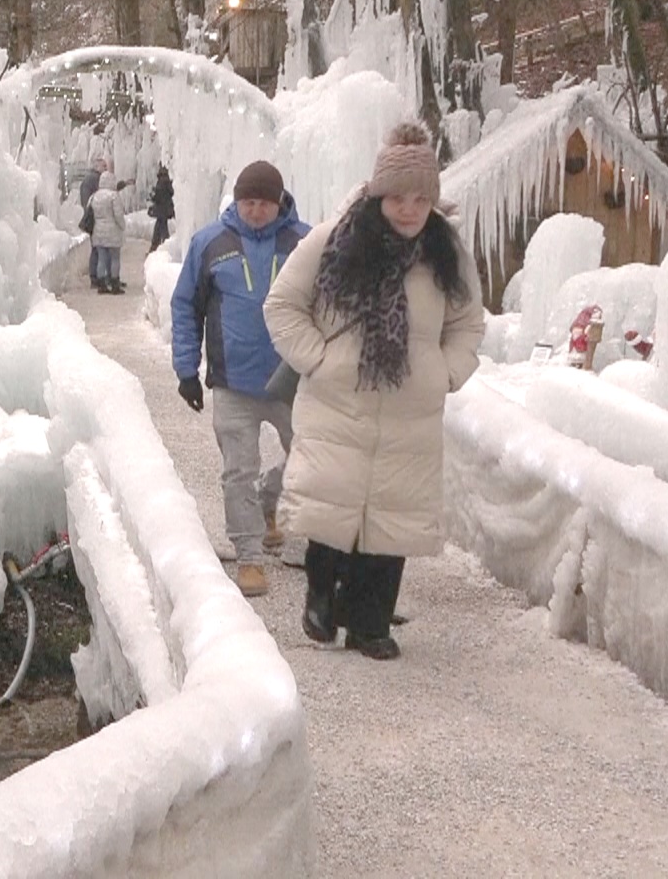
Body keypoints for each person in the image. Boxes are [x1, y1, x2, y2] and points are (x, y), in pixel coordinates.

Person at [263, 122, 485, 660]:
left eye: (420, 198)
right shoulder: (333, 240)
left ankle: (370, 624)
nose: (409, 210)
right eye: (397, 198)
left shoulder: (446, 252)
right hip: (340, 401)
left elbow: (469, 324)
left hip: (409, 412)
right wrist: (320, 359)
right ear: (377, 194)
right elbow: (282, 305)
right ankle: (320, 595)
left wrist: (445, 373)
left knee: (392, 523)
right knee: (331, 512)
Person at [170, 160, 309, 596]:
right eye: (248, 202)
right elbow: (185, 305)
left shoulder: (304, 242)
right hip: (233, 382)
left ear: (279, 202)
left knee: (311, 458)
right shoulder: (210, 242)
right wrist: (186, 370)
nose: (255, 211)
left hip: (293, 380)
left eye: (264, 203)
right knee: (237, 472)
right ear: (237, 201)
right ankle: (250, 555)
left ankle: (271, 501)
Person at [88, 178, 130, 294]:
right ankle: (115, 284)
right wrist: (122, 226)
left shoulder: (94, 196)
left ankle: (101, 284)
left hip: (98, 231)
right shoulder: (113, 196)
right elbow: (118, 214)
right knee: (115, 258)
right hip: (113, 232)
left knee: (102, 258)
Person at [80, 160, 110, 290]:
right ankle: (98, 277)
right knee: (99, 250)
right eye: (104, 166)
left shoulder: (88, 179)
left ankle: (97, 277)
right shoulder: (95, 179)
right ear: (97, 167)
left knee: (97, 249)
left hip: (92, 219)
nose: (106, 169)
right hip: (96, 220)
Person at [148, 167, 175, 250]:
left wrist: (152, 196)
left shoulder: (161, 181)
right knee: (161, 227)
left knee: (161, 228)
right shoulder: (168, 181)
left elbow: (158, 195)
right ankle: (158, 246)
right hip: (166, 209)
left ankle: (160, 246)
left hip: (161, 210)